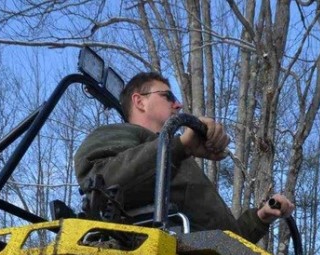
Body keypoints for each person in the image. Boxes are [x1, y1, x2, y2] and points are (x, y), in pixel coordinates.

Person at [74, 71, 294, 243]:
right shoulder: (118, 134)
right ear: (139, 101)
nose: (178, 104)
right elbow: (103, 185)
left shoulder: (174, 154)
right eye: (167, 96)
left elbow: (226, 240)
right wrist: (179, 146)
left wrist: (261, 218)